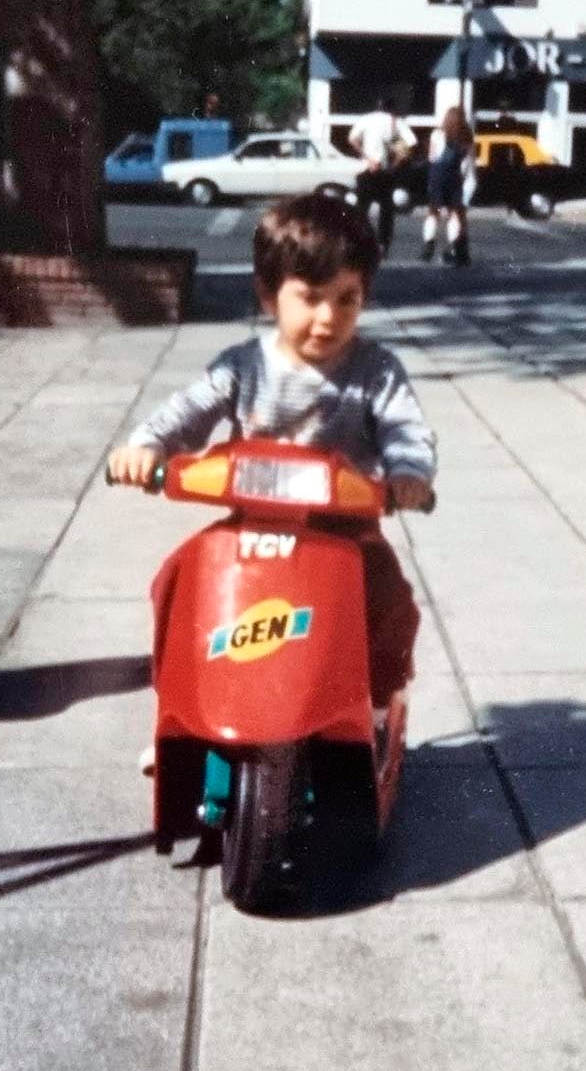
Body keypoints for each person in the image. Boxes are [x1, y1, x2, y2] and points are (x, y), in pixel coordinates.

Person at [109, 194, 438, 763]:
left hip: (343, 527)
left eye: (347, 299)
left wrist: (409, 472)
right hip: (252, 523)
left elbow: (406, 428)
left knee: (390, 600)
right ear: (269, 295)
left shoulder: (375, 370)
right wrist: (145, 448)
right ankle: (180, 706)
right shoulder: (242, 366)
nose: (329, 317)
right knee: (176, 583)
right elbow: (184, 414)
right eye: (310, 298)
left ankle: (377, 705)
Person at [346, 96, 415, 254]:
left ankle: (358, 242)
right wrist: (395, 164)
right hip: (385, 171)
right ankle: (383, 243)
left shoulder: (366, 119)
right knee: (386, 210)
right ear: (392, 109)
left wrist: (366, 156)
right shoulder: (395, 122)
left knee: (361, 209)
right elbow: (410, 144)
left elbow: (352, 139)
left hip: (366, 169)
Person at [420, 106, 476, 268]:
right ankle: (456, 249)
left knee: (433, 212)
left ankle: (428, 248)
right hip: (455, 177)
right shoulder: (466, 137)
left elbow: (432, 157)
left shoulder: (437, 133)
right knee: (454, 214)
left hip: (437, 175)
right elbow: (468, 163)